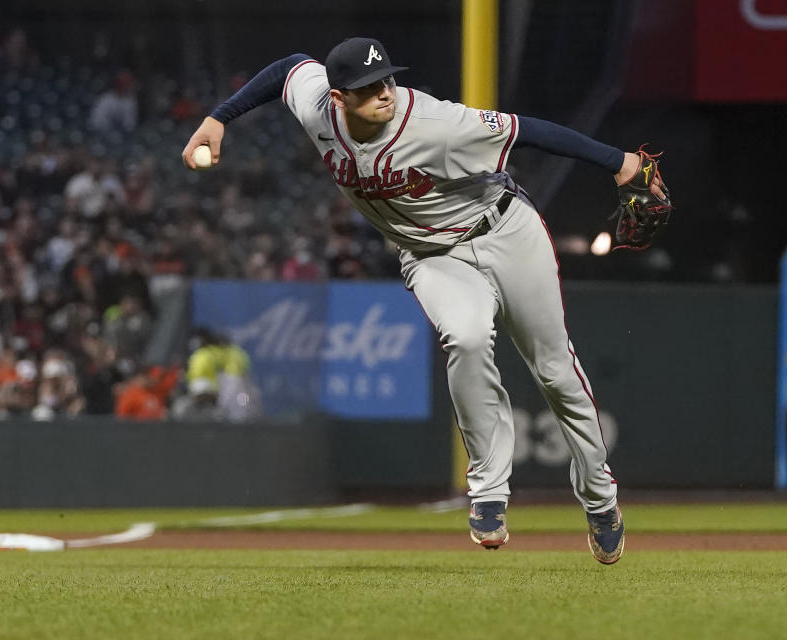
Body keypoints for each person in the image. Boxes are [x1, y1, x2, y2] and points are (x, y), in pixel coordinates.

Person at [182, 37, 670, 564]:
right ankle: (488, 492)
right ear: (339, 98)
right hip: (432, 254)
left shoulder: (436, 124)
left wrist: (618, 161)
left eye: (386, 79)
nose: (384, 93)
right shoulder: (317, 103)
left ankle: (600, 499)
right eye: (368, 88)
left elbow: (527, 131)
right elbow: (288, 66)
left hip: (504, 232)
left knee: (556, 372)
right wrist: (220, 117)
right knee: (464, 336)